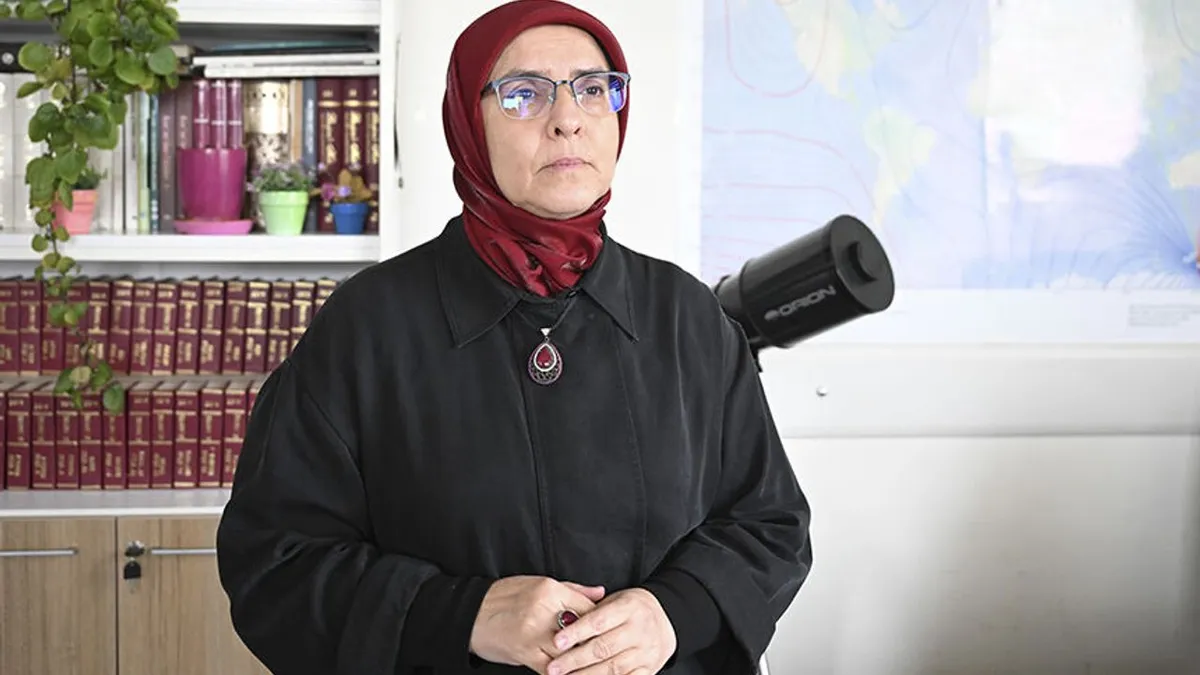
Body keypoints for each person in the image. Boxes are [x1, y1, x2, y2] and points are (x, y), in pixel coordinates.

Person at [214, 1, 813, 673]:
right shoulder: (366, 326)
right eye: (525, 93)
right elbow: (275, 562)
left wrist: (674, 611)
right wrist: (460, 614)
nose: (568, 118)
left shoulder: (688, 317)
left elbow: (770, 525)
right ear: (468, 124)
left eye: (594, 88)